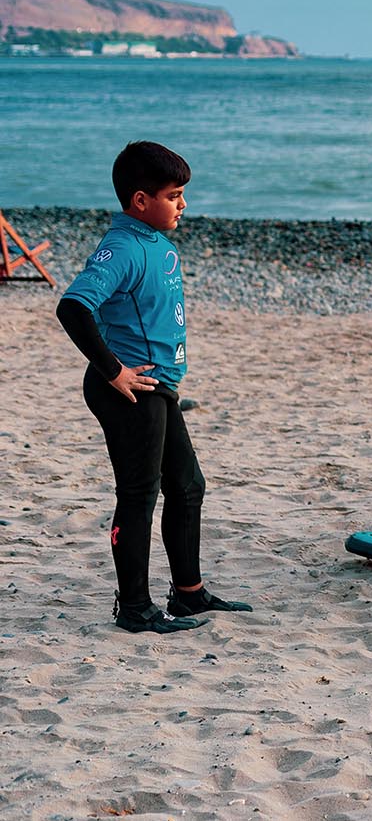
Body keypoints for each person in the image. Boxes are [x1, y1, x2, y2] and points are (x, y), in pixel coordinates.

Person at [55, 141, 252, 633]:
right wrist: (113, 371)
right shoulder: (122, 247)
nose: (183, 204)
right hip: (130, 388)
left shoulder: (157, 242)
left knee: (187, 487)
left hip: (159, 386)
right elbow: (73, 307)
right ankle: (136, 609)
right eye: (174, 195)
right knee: (139, 495)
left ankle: (188, 595)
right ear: (140, 200)